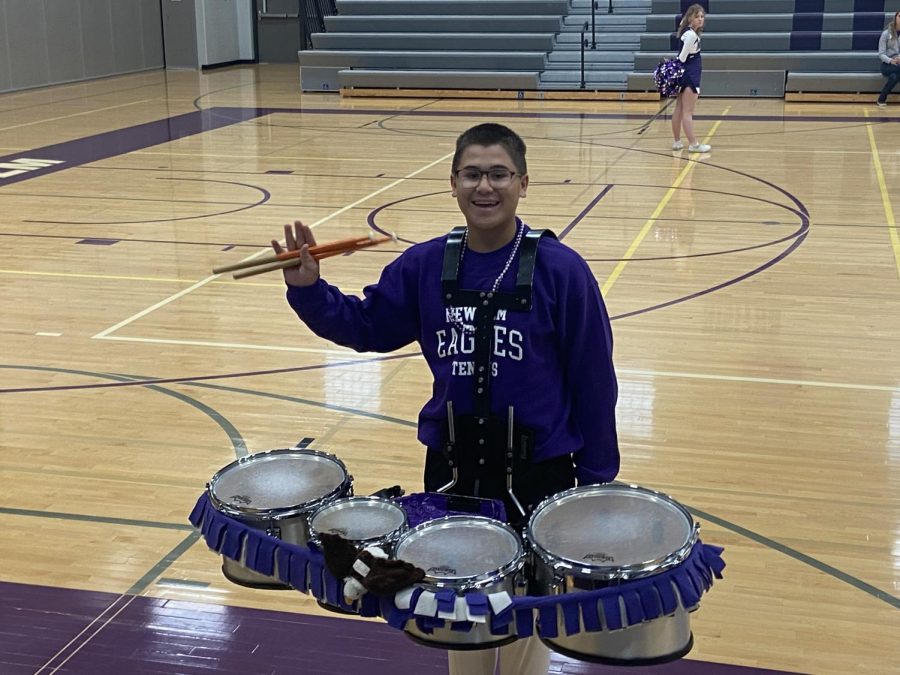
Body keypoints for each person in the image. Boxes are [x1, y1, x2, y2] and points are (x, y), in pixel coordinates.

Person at [271, 123, 619, 675]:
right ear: (452, 184)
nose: (486, 187)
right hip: (454, 472)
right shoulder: (426, 265)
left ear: (523, 184)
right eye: (472, 174)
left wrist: (597, 487)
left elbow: (595, 382)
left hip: (538, 473)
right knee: (460, 618)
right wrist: (308, 289)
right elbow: (367, 326)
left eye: (499, 174)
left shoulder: (562, 270)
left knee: (529, 616)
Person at [671, 4, 711, 153]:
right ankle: (694, 144)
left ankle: (677, 142)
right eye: (697, 17)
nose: (700, 19)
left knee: (679, 108)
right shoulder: (691, 36)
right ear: (690, 18)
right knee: (687, 111)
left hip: (685, 74)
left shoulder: (688, 32)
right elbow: (682, 58)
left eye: (702, 17)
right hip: (690, 75)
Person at [876, 11, 900, 108]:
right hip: (887, 65)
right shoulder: (886, 34)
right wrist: (891, 60)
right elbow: (881, 53)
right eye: (899, 16)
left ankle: (881, 98)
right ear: (895, 18)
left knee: (894, 77)